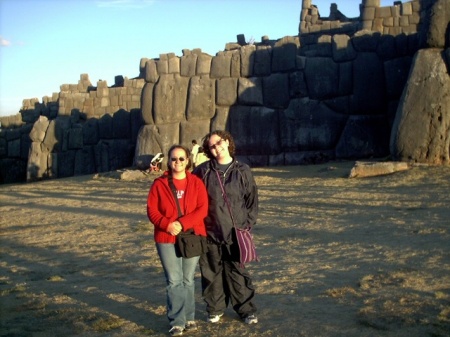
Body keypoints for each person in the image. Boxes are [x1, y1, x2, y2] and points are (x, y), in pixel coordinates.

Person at [193, 130, 259, 325]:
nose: (217, 147)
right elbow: (193, 196)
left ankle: (246, 310)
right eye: (212, 146)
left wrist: (246, 224)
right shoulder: (203, 171)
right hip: (210, 231)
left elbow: (251, 200)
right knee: (211, 272)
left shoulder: (242, 170)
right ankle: (215, 308)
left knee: (237, 271)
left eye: (219, 142)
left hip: (235, 232)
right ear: (208, 150)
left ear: (228, 141)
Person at [147, 144, 208, 336]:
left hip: (191, 235)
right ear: (169, 161)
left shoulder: (196, 183)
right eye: (174, 159)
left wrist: (182, 223)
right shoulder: (159, 184)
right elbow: (152, 210)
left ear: (188, 160)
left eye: (181, 158)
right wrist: (167, 224)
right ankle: (177, 321)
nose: (178, 162)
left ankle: (189, 318)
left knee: (188, 279)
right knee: (174, 280)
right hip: (166, 237)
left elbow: (202, 209)